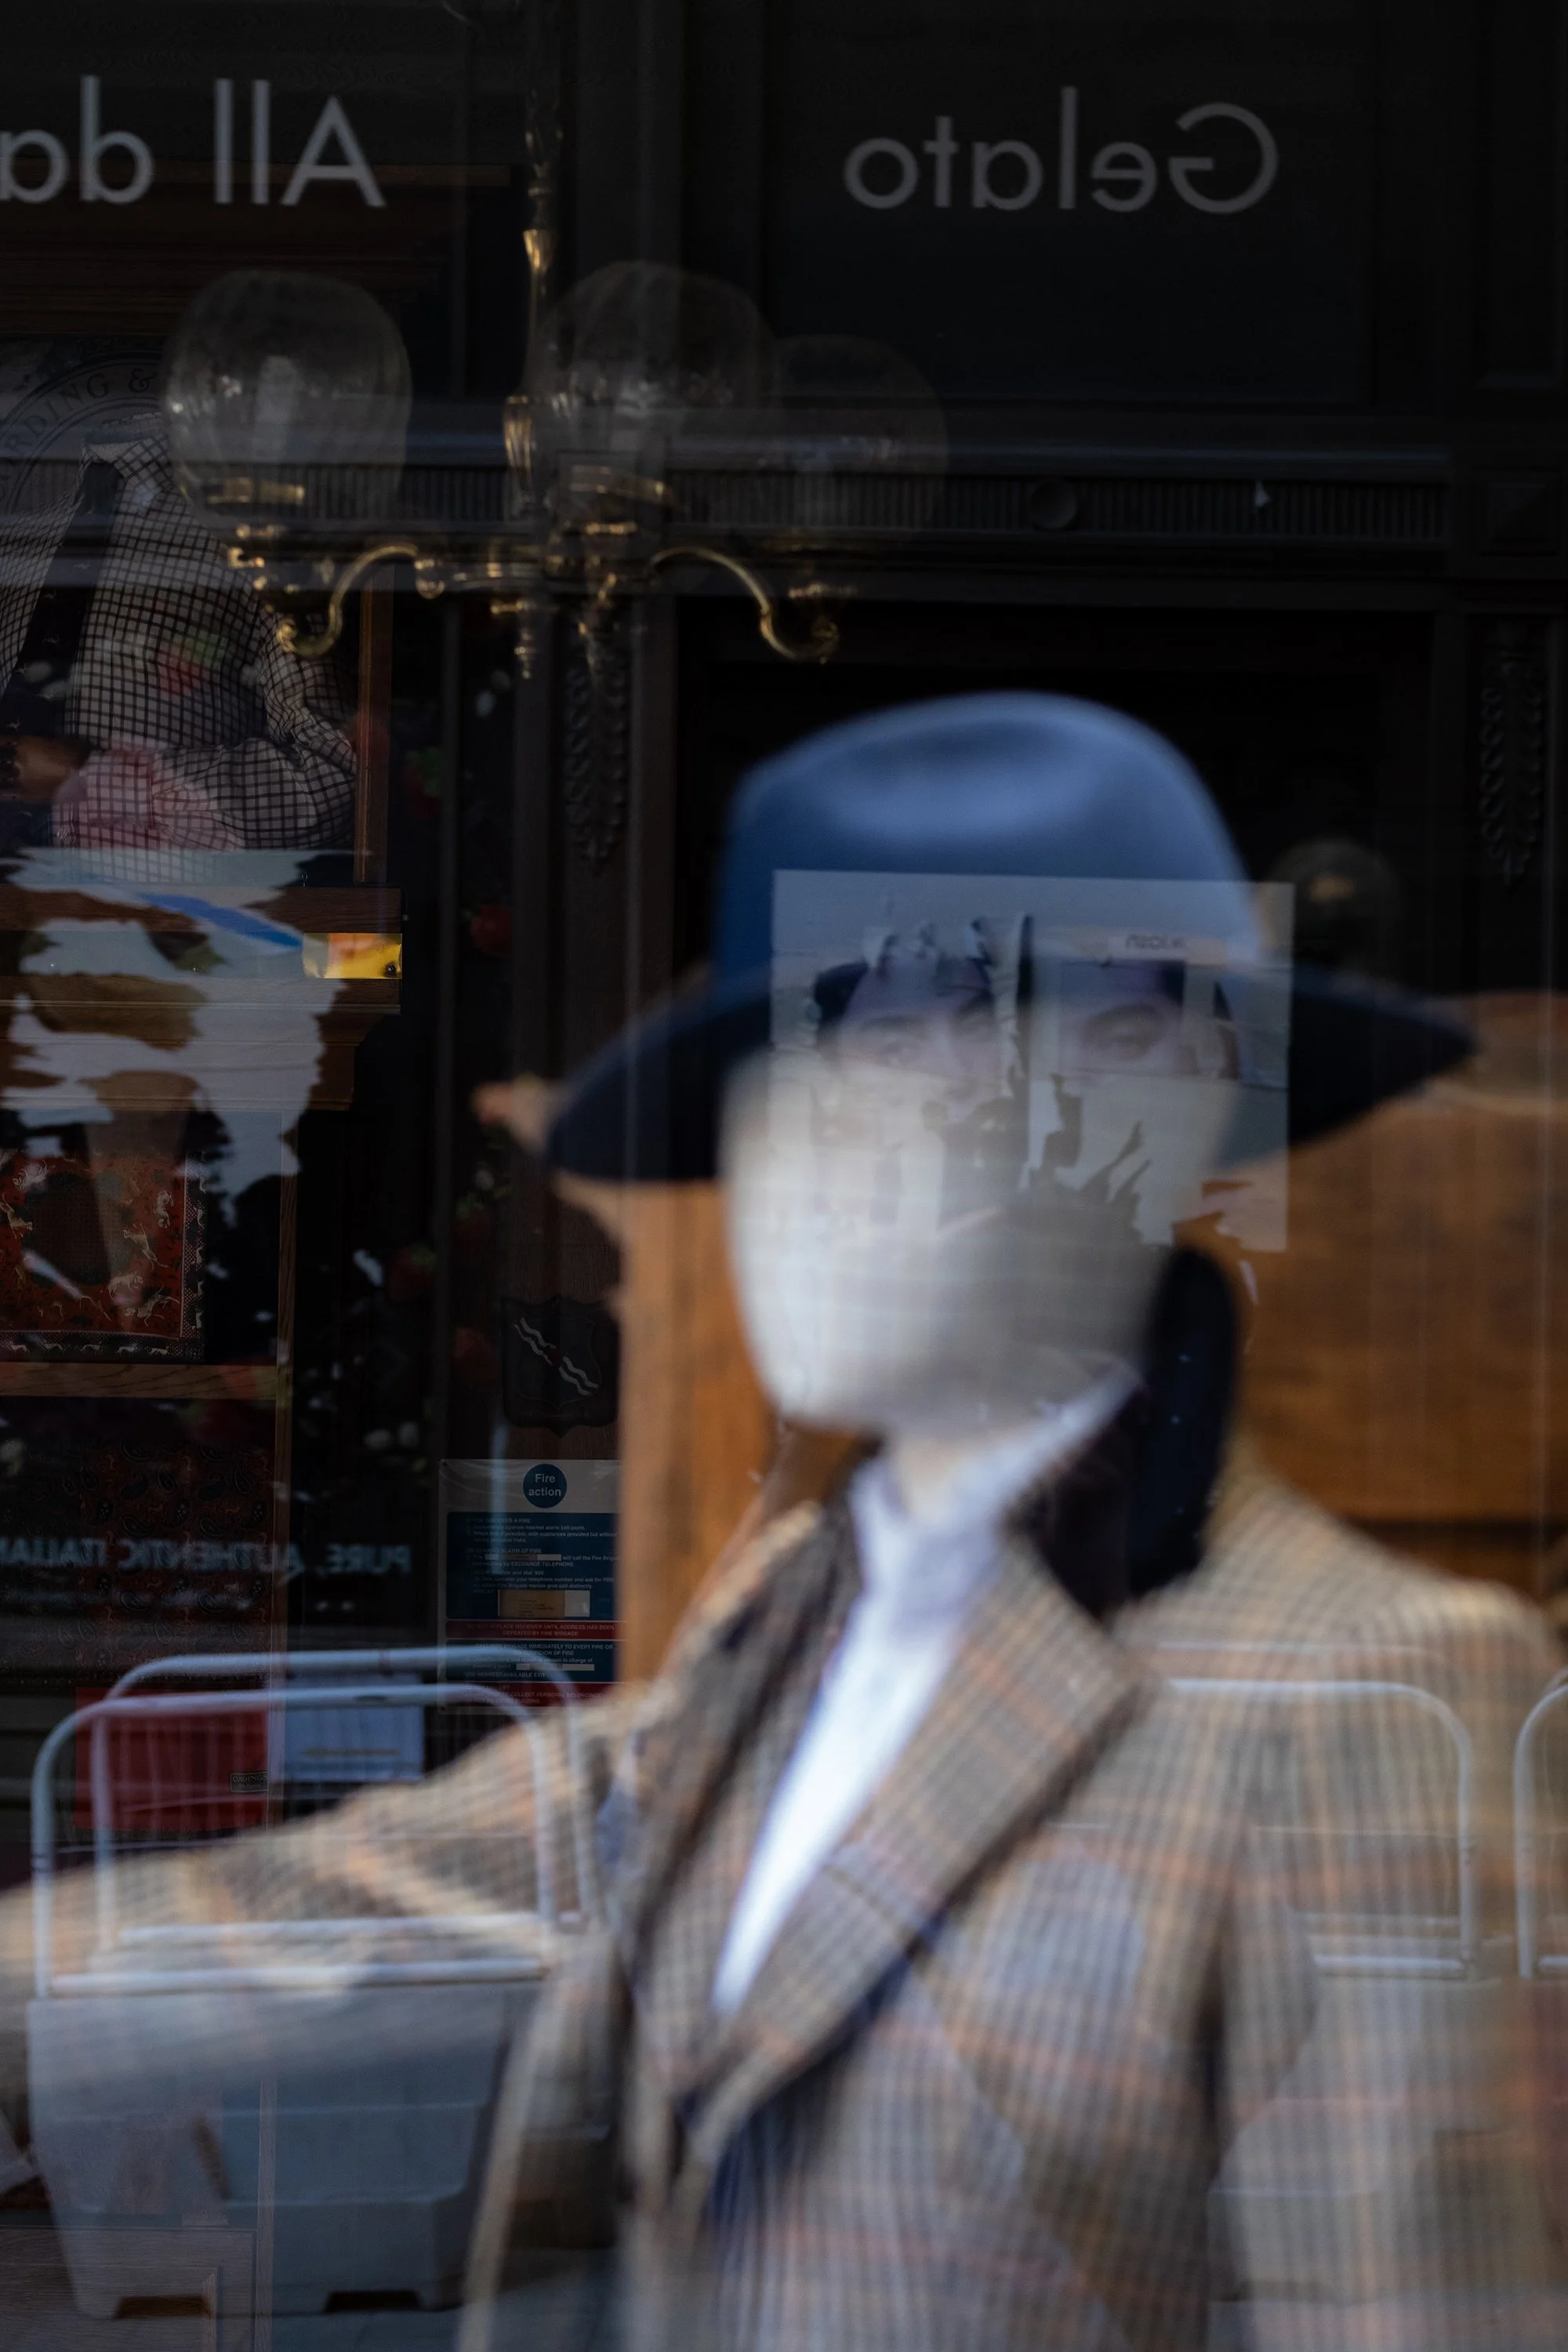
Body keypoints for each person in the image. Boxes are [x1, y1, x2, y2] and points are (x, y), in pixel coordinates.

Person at [0, 697, 1560, 2352]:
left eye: (879, 1069)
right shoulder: (812, 1604)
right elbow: (414, 1887)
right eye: (758, 1100)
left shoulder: (1367, 1696)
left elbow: (1405, 2309)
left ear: (1152, 1086)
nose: (784, 1176)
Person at [0, 427, 354, 854]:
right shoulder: (15, 546)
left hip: (165, 910)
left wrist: (94, 779)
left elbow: (328, 777)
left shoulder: (254, 538)